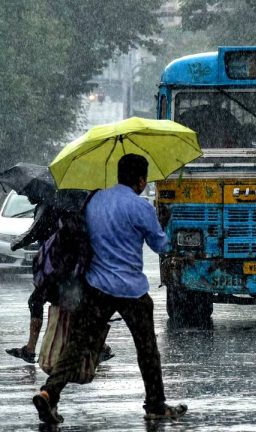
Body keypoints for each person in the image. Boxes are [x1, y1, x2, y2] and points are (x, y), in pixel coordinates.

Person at [32, 154, 186, 424]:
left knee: (77, 345)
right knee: (147, 349)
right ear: (140, 180)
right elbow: (161, 246)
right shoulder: (140, 207)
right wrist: (164, 221)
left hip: (97, 288)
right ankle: (155, 404)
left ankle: (49, 392)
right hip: (132, 291)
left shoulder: (94, 201)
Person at [5, 191, 114, 365]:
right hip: (73, 267)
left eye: (28, 193)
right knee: (75, 305)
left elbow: (33, 232)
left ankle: (31, 348)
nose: (27, 196)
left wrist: (16, 244)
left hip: (56, 268)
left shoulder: (48, 206)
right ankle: (101, 346)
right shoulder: (79, 207)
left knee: (39, 301)